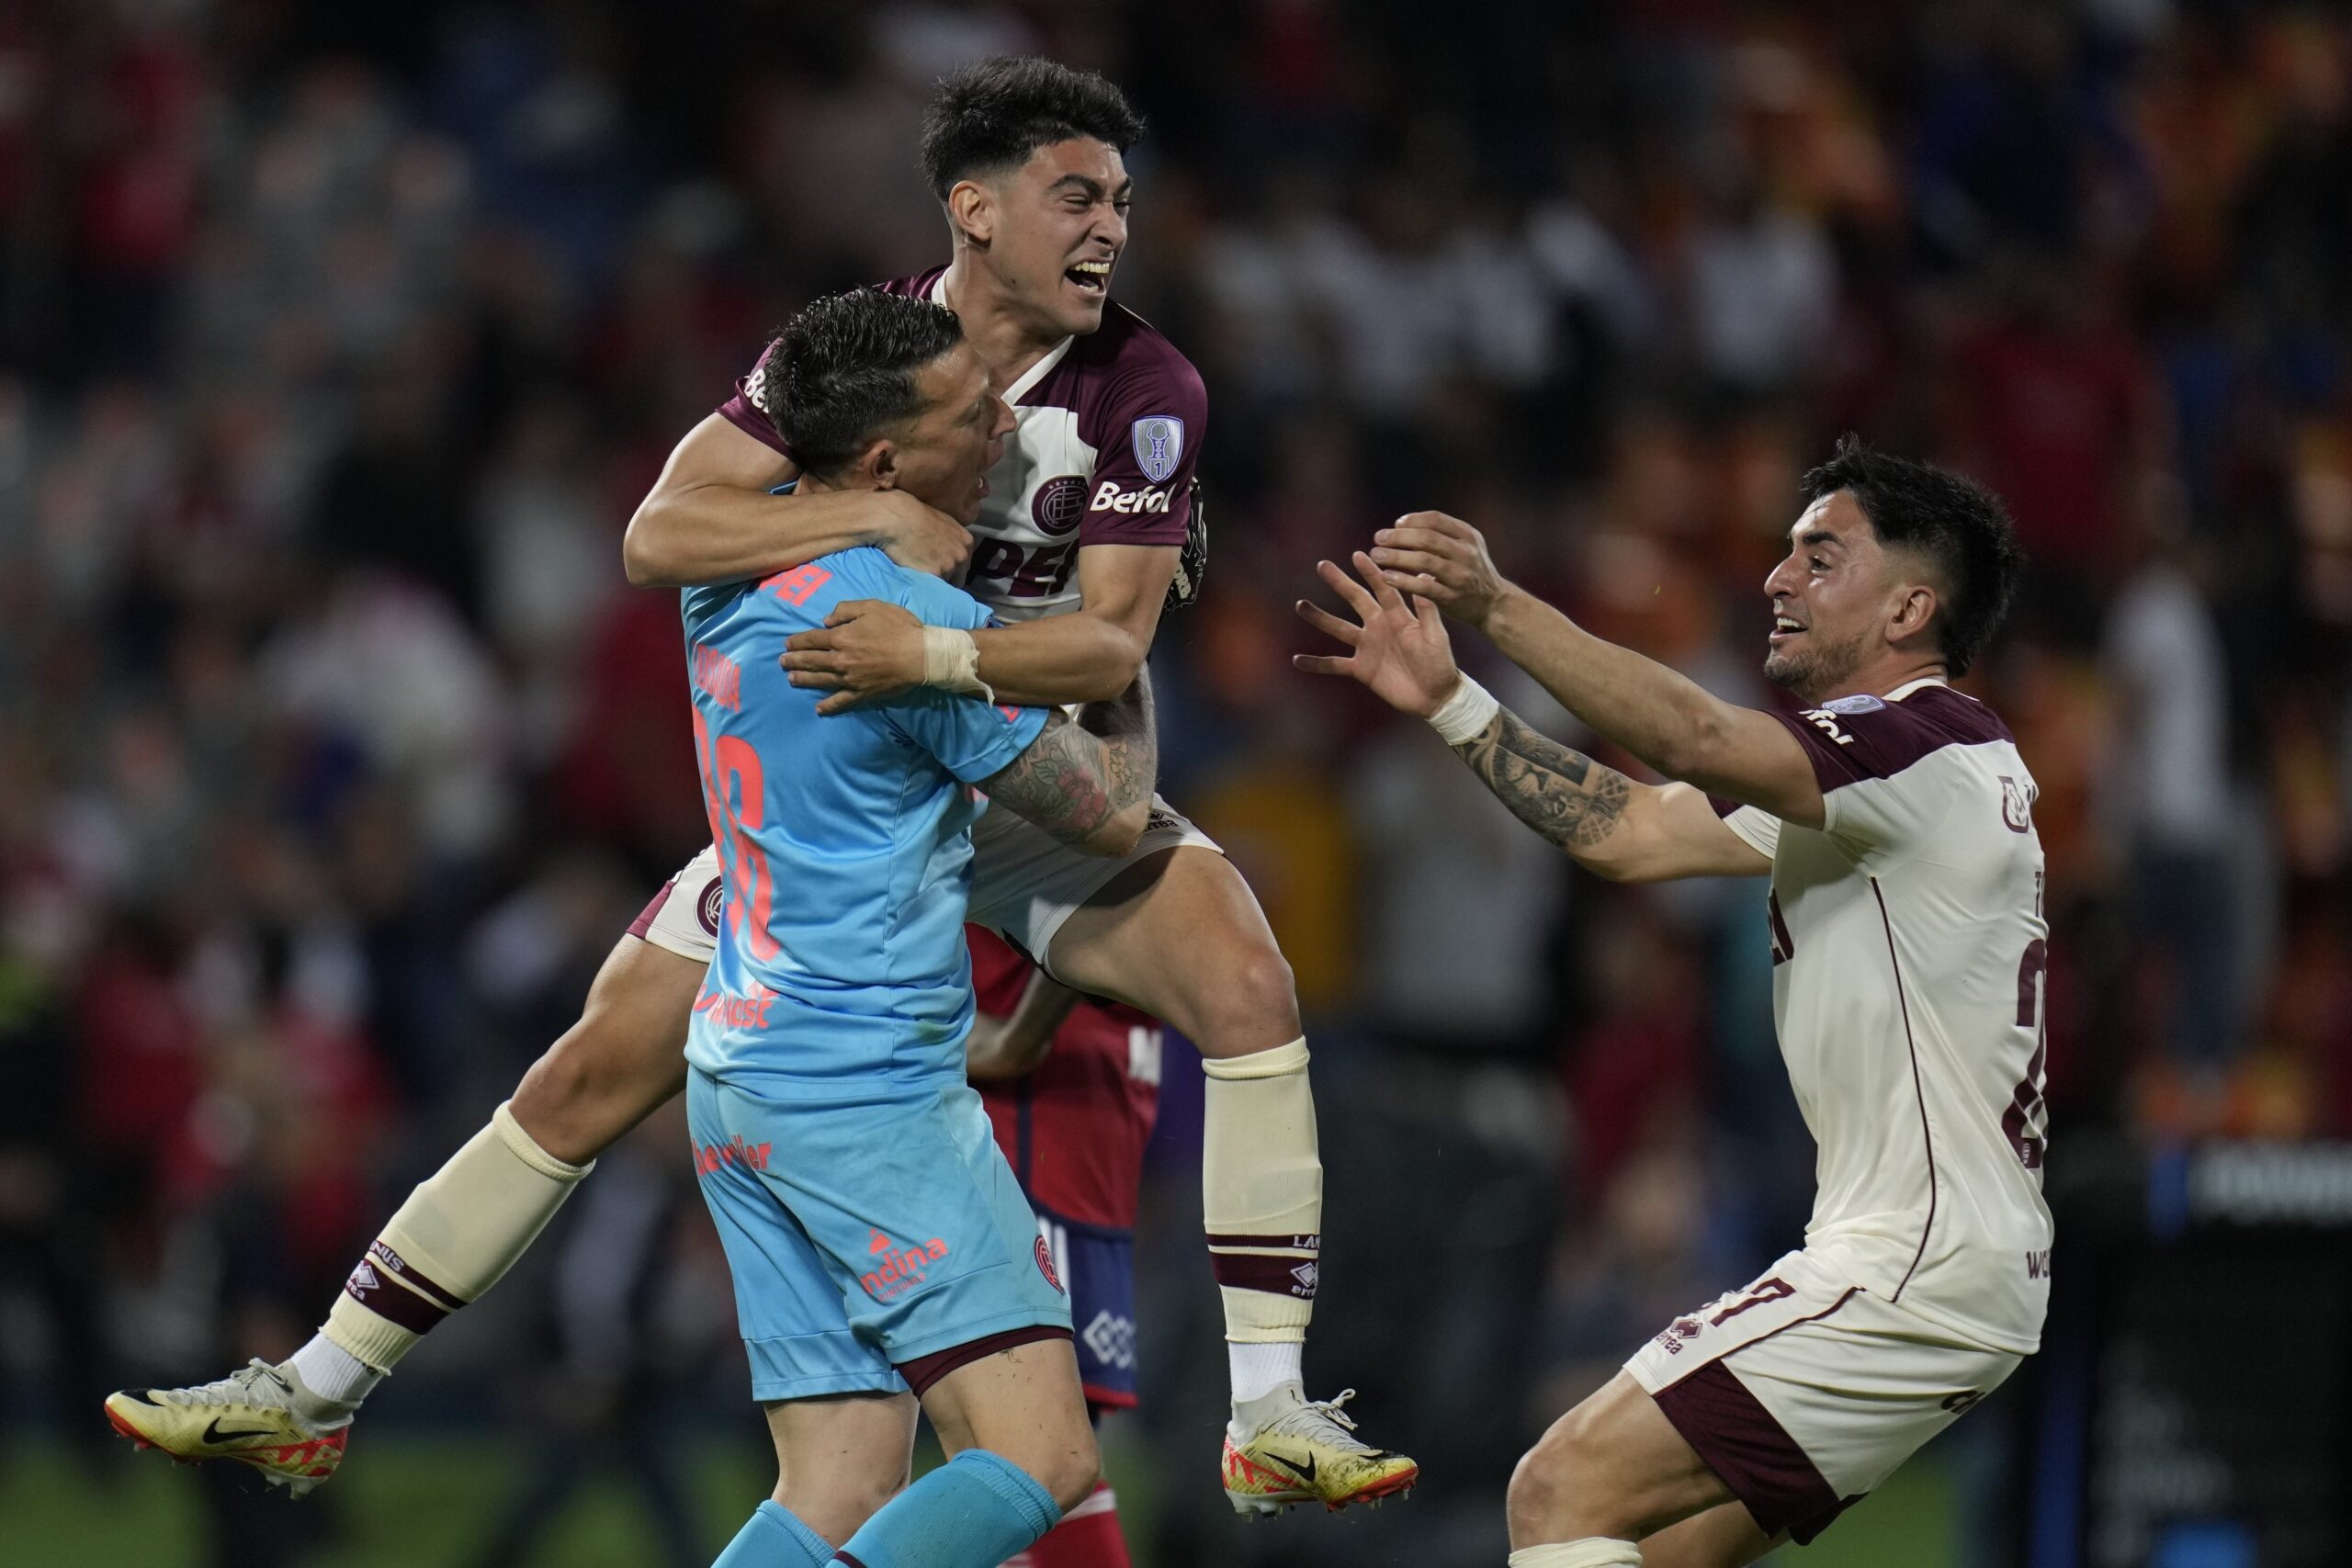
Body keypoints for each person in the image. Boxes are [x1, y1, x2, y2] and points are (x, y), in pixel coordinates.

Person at [106, 54, 1412, 1520]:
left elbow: (1109, 641)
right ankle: (321, 1381)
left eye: (1121, 198)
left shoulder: (1148, 386)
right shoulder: (864, 353)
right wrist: (871, 510)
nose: (1110, 227)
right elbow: (660, 530)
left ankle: (1269, 1404)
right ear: (973, 209)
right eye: (1074, 196)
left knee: (1245, 974)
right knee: (593, 1066)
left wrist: (929, 642)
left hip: (1007, 754)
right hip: (874, 779)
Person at [1297, 438, 2050, 1568]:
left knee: (1558, 1489)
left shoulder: (1921, 747)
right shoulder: (1884, 780)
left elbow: (1695, 736)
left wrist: (1496, 604)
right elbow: (1634, 833)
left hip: (1911, 1264)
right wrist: (1452, 702)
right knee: (1656, 1553)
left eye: (1820, 557)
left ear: (1908, 608)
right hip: (1950, 1269)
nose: (1776, 580)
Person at [674, 289, 1156, 1568]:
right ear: (886, 463)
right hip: (862, 1089)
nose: (1004, 420)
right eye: (970, 412)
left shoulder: (728, 563)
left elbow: (671, 519)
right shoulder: (899, 625)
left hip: (740, 1069)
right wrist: (1127, 642)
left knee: (838, 1480)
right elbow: (1110, 811)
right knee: (1038, 1455)